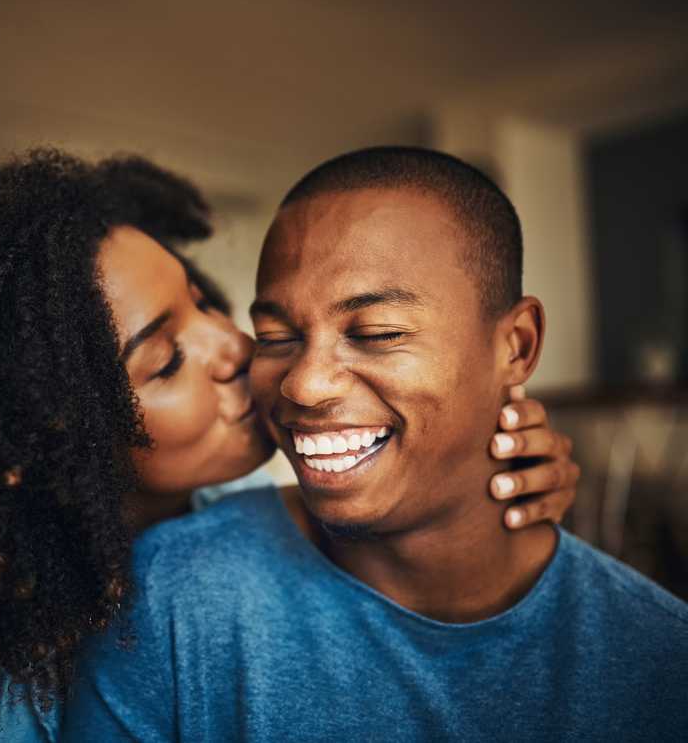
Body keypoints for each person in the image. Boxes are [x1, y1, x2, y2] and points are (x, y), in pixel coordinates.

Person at [0, 151, 579, 741]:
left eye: (206, 303)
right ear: (43, 437)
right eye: (167, 358)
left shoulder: (236, 523)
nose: (234, 349)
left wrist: (487, 466)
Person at [65, 147, 688, 741]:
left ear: (516, 346)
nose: (303, 385)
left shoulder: (658, 657)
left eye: (378, 332)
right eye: (276, 334)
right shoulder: (166, 597)